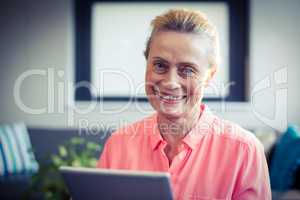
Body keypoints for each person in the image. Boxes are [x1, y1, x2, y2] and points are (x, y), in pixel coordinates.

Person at [97, 8, 271, 200]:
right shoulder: (118, 145)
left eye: (187, 70)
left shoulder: (244, 151)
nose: (171, 82)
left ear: (209, 77)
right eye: (160, 65)